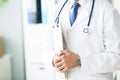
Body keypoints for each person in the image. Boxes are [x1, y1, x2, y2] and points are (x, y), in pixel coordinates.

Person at [46, 0, 120, 80]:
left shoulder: (107, 10)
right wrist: (54, 60)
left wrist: (79, 61)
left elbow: (116, 57)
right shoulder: (57, 10)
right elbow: (47, 49)